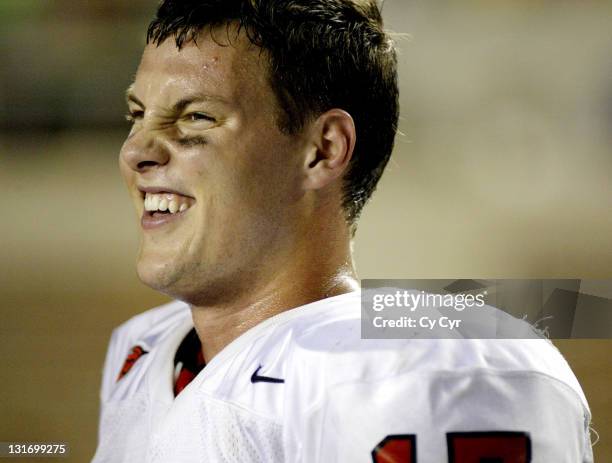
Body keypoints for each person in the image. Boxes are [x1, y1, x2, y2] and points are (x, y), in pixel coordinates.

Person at [93, 1, 593, 461]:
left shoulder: (407, 369)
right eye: (137, 115)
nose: (137, 151)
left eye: (197, 117)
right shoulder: (144, 347)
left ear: (323, 150)